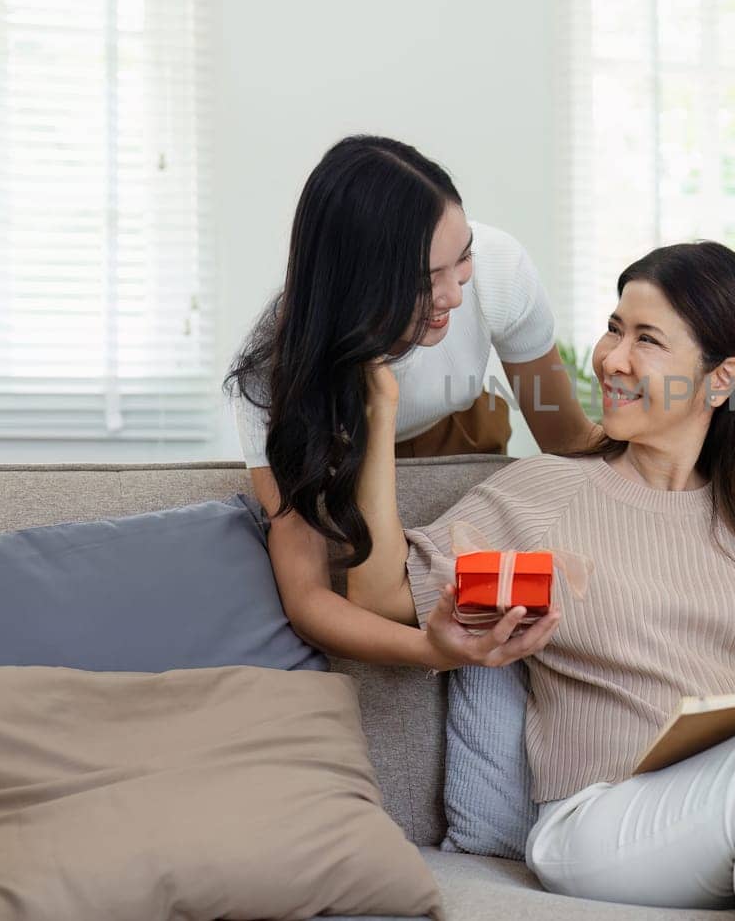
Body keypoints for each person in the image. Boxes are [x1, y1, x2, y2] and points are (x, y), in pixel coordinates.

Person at [345, 241, 735, 920]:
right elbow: (377, 598)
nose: (612, 358)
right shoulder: (548, 493)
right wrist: (377, 414)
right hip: (595, 822)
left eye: (647, 339)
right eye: (615, 328)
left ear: (723, 379)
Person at [223, 134, 590, 669]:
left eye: (461, 258)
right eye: (423, 280)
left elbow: (567, 437)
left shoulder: (499, 273)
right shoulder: (271, 376)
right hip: (346, 474)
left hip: (461, 434)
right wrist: (437, 651)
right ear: (353, 282)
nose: (454, 296)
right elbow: (307, 599)